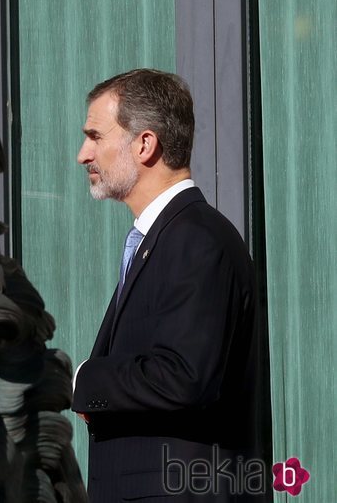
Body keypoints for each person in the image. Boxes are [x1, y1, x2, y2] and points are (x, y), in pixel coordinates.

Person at [71, 69, 270, 502]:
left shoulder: (196, 239)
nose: (83, 154)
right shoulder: (168, 238)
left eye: (96, 136)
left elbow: (184, 377)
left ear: (144, 144)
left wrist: (86, 380)